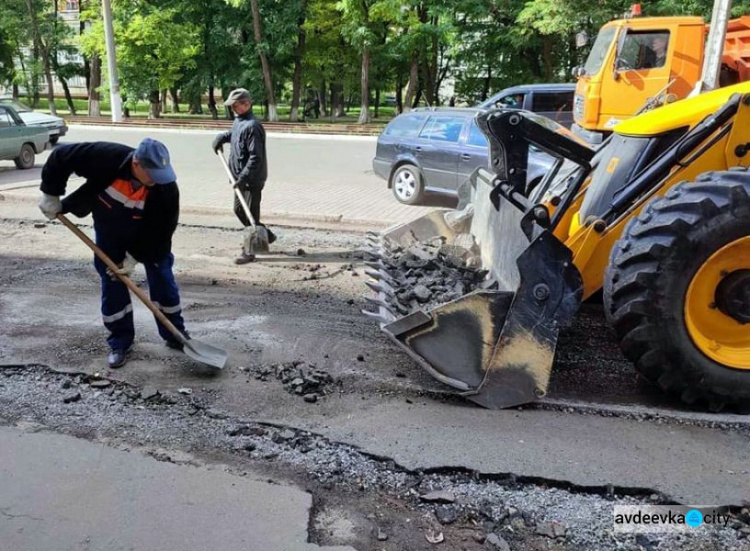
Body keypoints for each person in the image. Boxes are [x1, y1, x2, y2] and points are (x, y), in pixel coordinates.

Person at [37, 139, 188, 369]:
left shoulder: (166, 187)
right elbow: (61, 157)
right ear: (137, 163)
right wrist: (51, 194)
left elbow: (162, 231)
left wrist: (134, 257)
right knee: (112, 280)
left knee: (162, 277)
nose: (158, 179)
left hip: (147, 233)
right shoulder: (106, 156)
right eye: (153, 173)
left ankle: (175, 333)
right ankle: (120, 341)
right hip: (111, 229)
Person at [211, 88, 274, 264]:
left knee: (249, 213)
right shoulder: (240, 121)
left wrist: (243, 178)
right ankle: (265, 235)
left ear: (246, 104)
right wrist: (222, 138)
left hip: (251, 179)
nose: (232, 109)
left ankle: (250, 250)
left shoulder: (253, 126)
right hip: (240, 177)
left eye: (235, 106)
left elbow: (255, 157)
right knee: (241, 210)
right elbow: (235, 136)